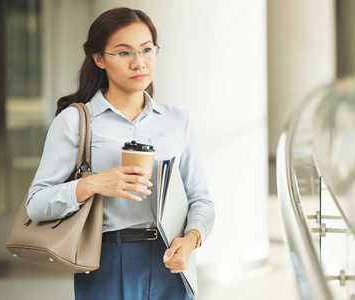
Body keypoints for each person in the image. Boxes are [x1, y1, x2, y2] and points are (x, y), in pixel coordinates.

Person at [26, 7, 214, 300]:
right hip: (106, 261)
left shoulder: (178, 121)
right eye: (124, 53)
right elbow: (36, 204)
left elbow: (201, 199)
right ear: (99, 59)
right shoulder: (76, 121)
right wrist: (94, 184)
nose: (139, 62)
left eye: (147, 50)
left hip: (173, 262)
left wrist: (191, 240)